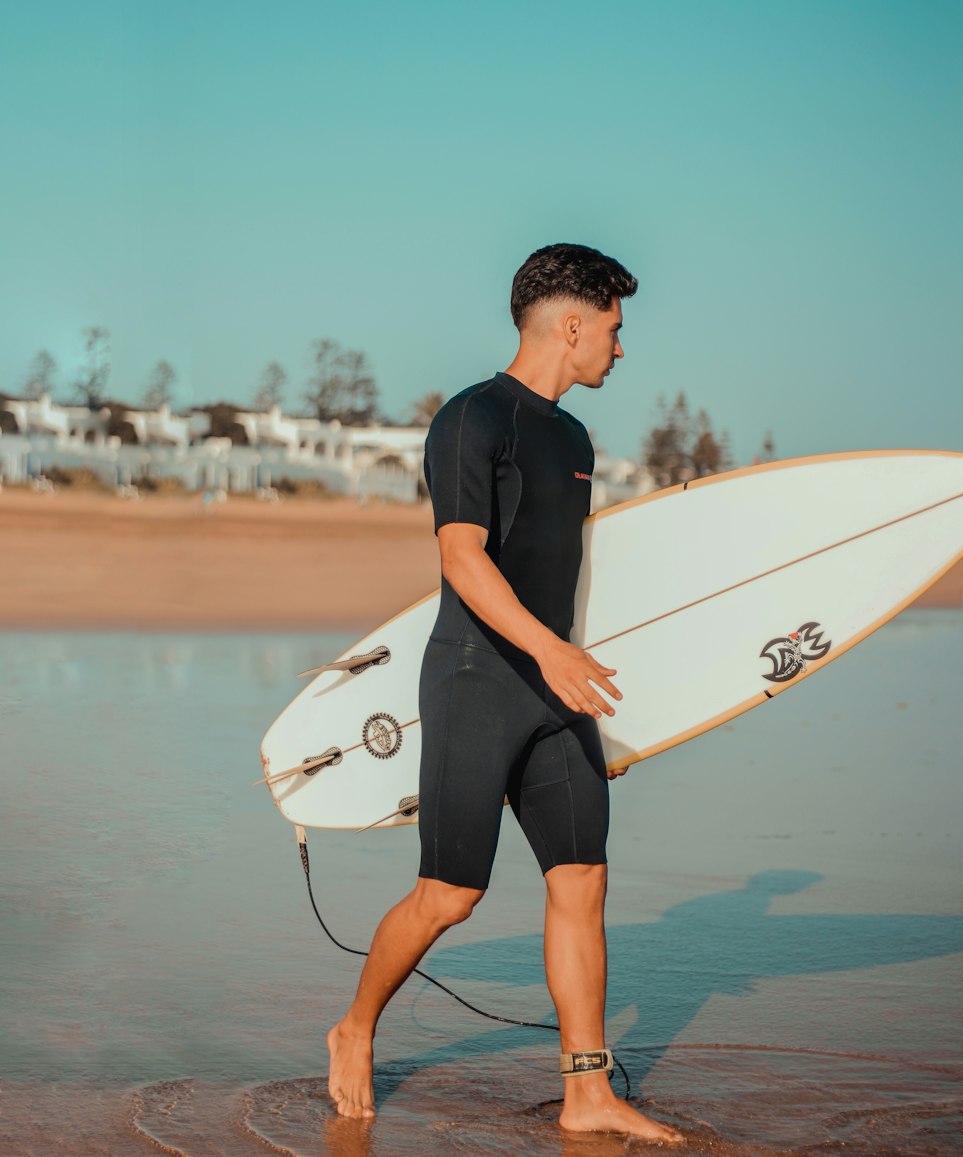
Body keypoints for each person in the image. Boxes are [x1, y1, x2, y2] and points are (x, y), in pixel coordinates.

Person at [327, 243, 683, 1143]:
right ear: (573, 323)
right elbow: (462, 557)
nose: (619, 347)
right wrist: (549, 655)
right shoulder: (471, 419)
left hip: (556, 688)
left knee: (583, 878)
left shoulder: (574, 436)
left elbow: (576, 574)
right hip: (480, 675)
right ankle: (355, 1023)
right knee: (451, 894)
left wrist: (607, 695)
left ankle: (587, 1089)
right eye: (613, 326)